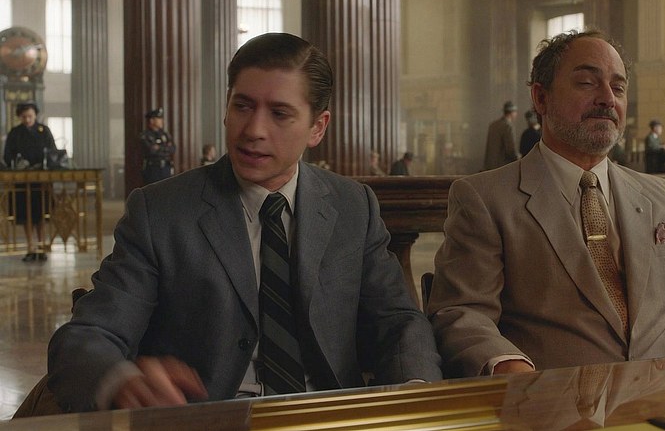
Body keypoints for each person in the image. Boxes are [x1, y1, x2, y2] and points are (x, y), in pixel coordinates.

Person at [46, 32, 442, 413]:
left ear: (317, 127)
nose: (253, 130)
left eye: (279, 114)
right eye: (243, 106)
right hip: (207, 420)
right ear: (226, 107)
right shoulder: (161, 212)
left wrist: (416, 392)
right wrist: (121, 380)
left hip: (326, 415)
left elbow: (397, 321)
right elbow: (88, 335)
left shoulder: (352, 205)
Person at [426, 30, 665, 378]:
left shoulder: (661, 196)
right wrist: (509, 368)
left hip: (659, 399)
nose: (607, 99)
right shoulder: (485, 198)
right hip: (551, 401)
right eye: (587, 83)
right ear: (541, 98)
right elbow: (463, 312)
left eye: (618, 88)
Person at [2, 102, 57, 262]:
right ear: (20, 117)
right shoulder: (15, 133)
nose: (27, 119)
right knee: (25, 215)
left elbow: (52, 151)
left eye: (30, 116)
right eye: (24, 117)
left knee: (41, 213)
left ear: (35, 115)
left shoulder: (44, 131)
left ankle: (41, 246)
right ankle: (30, 247)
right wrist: (18, 163)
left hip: (41, 180)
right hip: (22, 180)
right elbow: (7, 155)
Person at [139, 107, 176, 185]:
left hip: (166, 168)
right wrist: (165, 148)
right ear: (152, 120)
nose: (162, 121)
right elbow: (151, 151)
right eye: (159, 118)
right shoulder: (145, 135)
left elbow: (173, 149)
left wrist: (159, 148)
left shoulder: (165, 134)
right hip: (153, 169)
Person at [483, 100, 520, 170]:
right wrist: (518, 157)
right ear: (512, 112)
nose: (516, 114)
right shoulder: (508, 126)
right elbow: (510, 149)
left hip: (490, 166)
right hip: (503, 166)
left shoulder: (493, 125)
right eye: (515, 112)